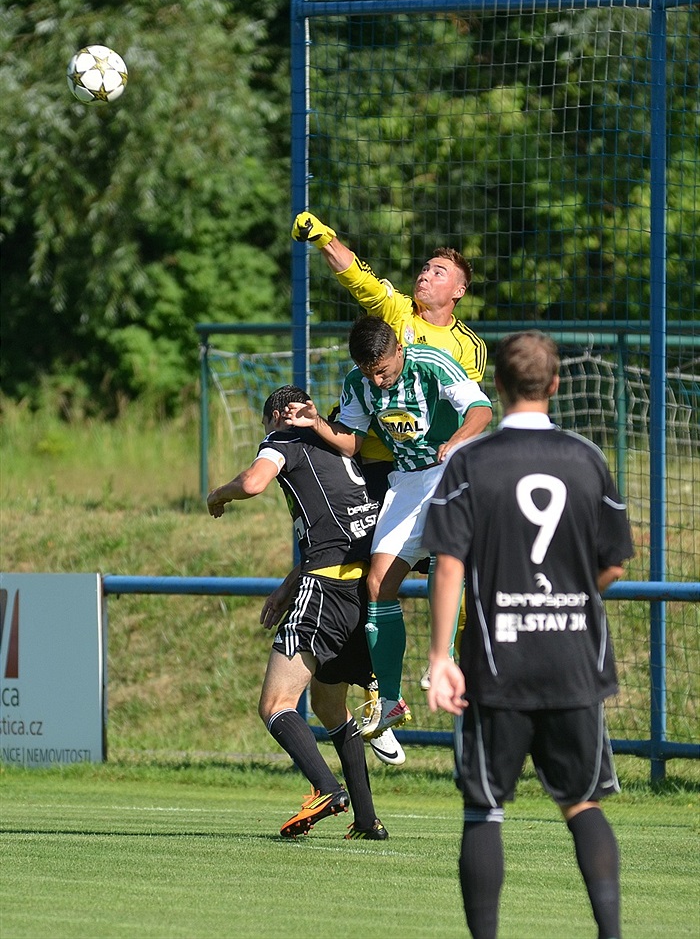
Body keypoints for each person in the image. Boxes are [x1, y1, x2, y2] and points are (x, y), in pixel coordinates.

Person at [422, 331, 634, 939]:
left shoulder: (471, 461)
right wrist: (571, 596)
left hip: (498, 664)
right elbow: (615, 561)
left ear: (499, 387)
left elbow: (449, 563)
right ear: (557, 383)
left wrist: (440, 656)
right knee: (582, 802)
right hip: (574, 660)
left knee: (484, 810)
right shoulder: (586, 458)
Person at [292, 210, 484, 687]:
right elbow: (359, 277)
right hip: (372, 464)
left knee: (456, 564)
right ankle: (375, 686)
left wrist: (450, 447)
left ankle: (453, 664)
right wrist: (323, 238)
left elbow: (471, 411)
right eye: (424, 268)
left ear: (458, 290)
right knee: (354, 571)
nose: (426, 274)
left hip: (432, 470)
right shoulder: (397, 314)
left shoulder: (465, 347)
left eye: (440, 271)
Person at [283, 316, 493, 739]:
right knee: (378, 583)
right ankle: (392, 701)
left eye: (383, 370)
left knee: (442, 555)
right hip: (406, 483)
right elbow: (353, 441)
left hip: (451, 472)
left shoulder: (433, 362)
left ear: (399, 349)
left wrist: (456, 441)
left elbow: (481, 409)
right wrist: (317, 424)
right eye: (368, 372)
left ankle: (444, 661)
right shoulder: (358, 383)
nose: (377, 381)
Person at [207, 385, 388, 840]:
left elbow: (253, 482)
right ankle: (367, 820)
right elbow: (340, 528)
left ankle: (326, 788)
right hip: (362, 589)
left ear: (274, 418)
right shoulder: (342, 446)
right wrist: (289, 584)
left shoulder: (282, 440)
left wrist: (219, 494)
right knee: (331, 707)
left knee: (275, 704)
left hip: (325, 590)